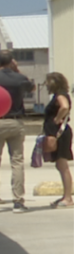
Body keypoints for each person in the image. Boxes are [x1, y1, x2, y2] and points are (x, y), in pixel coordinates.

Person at [0, 51, 34, 213]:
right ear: (12, 61)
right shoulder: (19, 78)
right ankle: (18, 201)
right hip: (15, 120)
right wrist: (17, 70)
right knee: (17, 162)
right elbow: (31, 87)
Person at [43, 72, 73, 208]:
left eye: (48, 82)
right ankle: (65, 196)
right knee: (60, 165)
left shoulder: (60, 95)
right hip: (57, 133)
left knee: (62, 165)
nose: (46, 85)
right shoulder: (58, 95)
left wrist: (56, 119)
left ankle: (68, 198)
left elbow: (65, 106)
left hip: (60, 134)